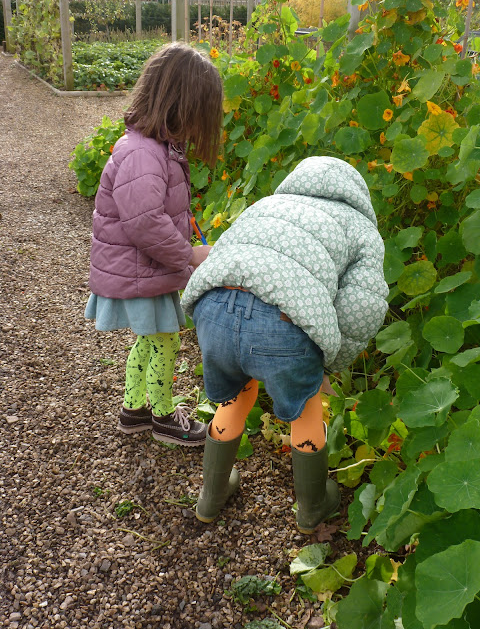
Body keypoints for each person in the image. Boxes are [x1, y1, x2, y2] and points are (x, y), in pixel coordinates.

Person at [181, 156, 389, 532]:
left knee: (235, 397)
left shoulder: (267, 204)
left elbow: (225, 249)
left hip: (212, 308)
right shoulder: (359, 227)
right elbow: (361, 307)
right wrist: (326, 363)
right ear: (357, 193)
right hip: (282, 324)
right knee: (307, 408)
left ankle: (210, 497)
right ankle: (311, 508)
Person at [85, 42, 223, 446]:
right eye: (200, 114)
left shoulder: (153, 147)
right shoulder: (144, 153)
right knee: (165, 342)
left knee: (149, 340)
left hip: (144, 270)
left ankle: (134, 410)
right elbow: (145, 222)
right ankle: (163, 416)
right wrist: (190, 255)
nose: (201, 126)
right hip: (142, 271)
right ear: (181, 105)